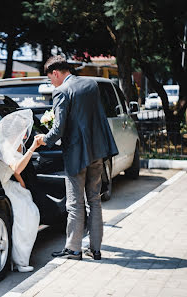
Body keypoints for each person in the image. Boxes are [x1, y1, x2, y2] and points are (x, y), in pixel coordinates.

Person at [36, 56, 118, 260]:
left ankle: (73, 249)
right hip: (97, 151)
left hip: (76, 155)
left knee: (74, 204)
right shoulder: (91, 84)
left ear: (55, 73)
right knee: (94, 200)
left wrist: (42, 139)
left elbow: (58, 129)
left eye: (50, 79)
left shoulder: (61, 91)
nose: (51, 83)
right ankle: (96, 249)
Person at [0, 109, 41, 272]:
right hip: (5, 187)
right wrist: (33, 147)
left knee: (32, 210)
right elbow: (16, 167)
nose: (25, 136)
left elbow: (13, 172)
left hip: (11, 184)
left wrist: (22, 183)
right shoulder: (4, 146)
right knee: (27, 216)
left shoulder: (12, 144)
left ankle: (20, 255)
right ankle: (19, 261)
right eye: (23, 131)